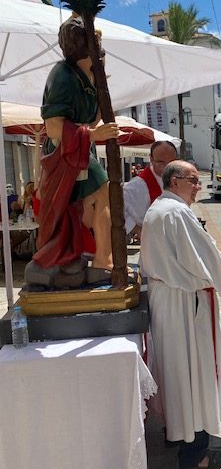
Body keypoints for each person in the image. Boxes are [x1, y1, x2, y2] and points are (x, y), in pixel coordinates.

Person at [141, 160, 221, 469]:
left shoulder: (159, 208)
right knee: (192, 374)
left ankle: (177, 433)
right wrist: (216, 280)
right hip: (183, 303)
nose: (199, 186)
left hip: (167, 299)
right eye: (193, 180)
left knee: (174, 371)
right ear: (175, 182)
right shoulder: (177, 212)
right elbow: (203, 260)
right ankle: (195, 454)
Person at [33, 15, 119, 275]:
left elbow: (90, 120)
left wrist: (101, 91)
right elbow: (53, 127)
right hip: (66, 153)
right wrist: (93, 135)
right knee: (102, 193)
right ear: (86, 47)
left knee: (87, 201)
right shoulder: (63, 76)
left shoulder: (86, 76)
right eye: (97, 43)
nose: (101, 51)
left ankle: (94, 256)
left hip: (79, 149)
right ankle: (103, 259)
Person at [123, 140, 178, 242]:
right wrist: (137, 229)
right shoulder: (136, 186)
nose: (167, 166)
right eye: (161, 162)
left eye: (171, 162)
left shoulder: (179, 179)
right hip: (154, 241)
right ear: (151, 159)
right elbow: (116, 210)